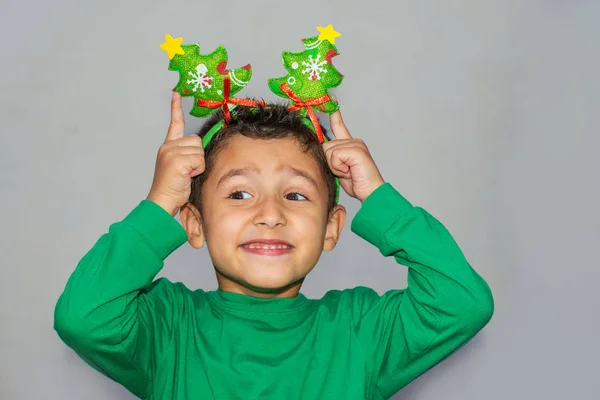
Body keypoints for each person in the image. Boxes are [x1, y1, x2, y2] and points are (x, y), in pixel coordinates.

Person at [54, 92, 494, 399]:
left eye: (296, 195)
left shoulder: (361, 332)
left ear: (330, 228)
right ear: (194, 222)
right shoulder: (167, 327)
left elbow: (462, 303)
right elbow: (83, 318)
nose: (270, 214)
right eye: (239, 194)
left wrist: (376, 194)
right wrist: (159, 203)